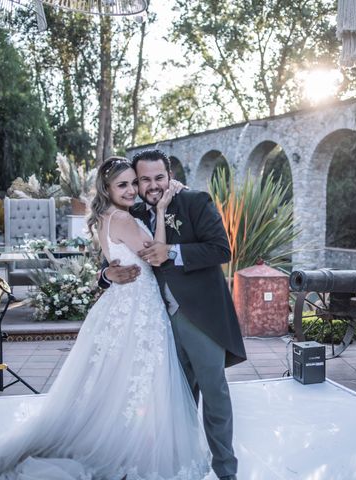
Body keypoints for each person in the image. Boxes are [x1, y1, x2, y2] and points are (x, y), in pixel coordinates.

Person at [0, 157, 210, 480]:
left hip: (121, 304)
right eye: (122, 185)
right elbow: (156, 252)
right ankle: (129, 448)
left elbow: (113, 259)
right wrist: (163, 206)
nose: (131, 190)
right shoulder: (124, 220)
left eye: (132, 183)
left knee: (115, 381)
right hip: (138, 308)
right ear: (107, 188)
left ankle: (122, 439)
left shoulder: (102, 217)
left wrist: (108, 273)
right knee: (137, 378)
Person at [99, 149, 247, 480]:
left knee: (213, 392)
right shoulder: (133, 211)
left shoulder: (193, 202)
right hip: (157, 321)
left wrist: (173, 251)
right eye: (144, 179)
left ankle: (226, 471)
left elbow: (221, 249)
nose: (152, 186)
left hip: (199, 317)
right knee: (174, 395)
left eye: (159, 178)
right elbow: (112, 256)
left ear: (170, 176)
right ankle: (183, 464)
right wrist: (107, 275)